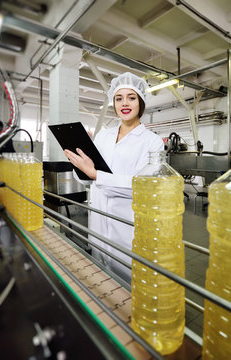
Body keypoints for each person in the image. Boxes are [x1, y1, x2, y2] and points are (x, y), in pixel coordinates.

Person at [65, 72, 164, 284]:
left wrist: (95, 174)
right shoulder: (104, 136)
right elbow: (88, 181)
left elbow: (141, 186)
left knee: (129, 288)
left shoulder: (153, 142)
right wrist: (81, 163)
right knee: (100, 284)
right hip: (99, 226)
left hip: (128, 229)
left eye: (131, 97)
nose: (124, 103)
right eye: (119, 98)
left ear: (141, 102)